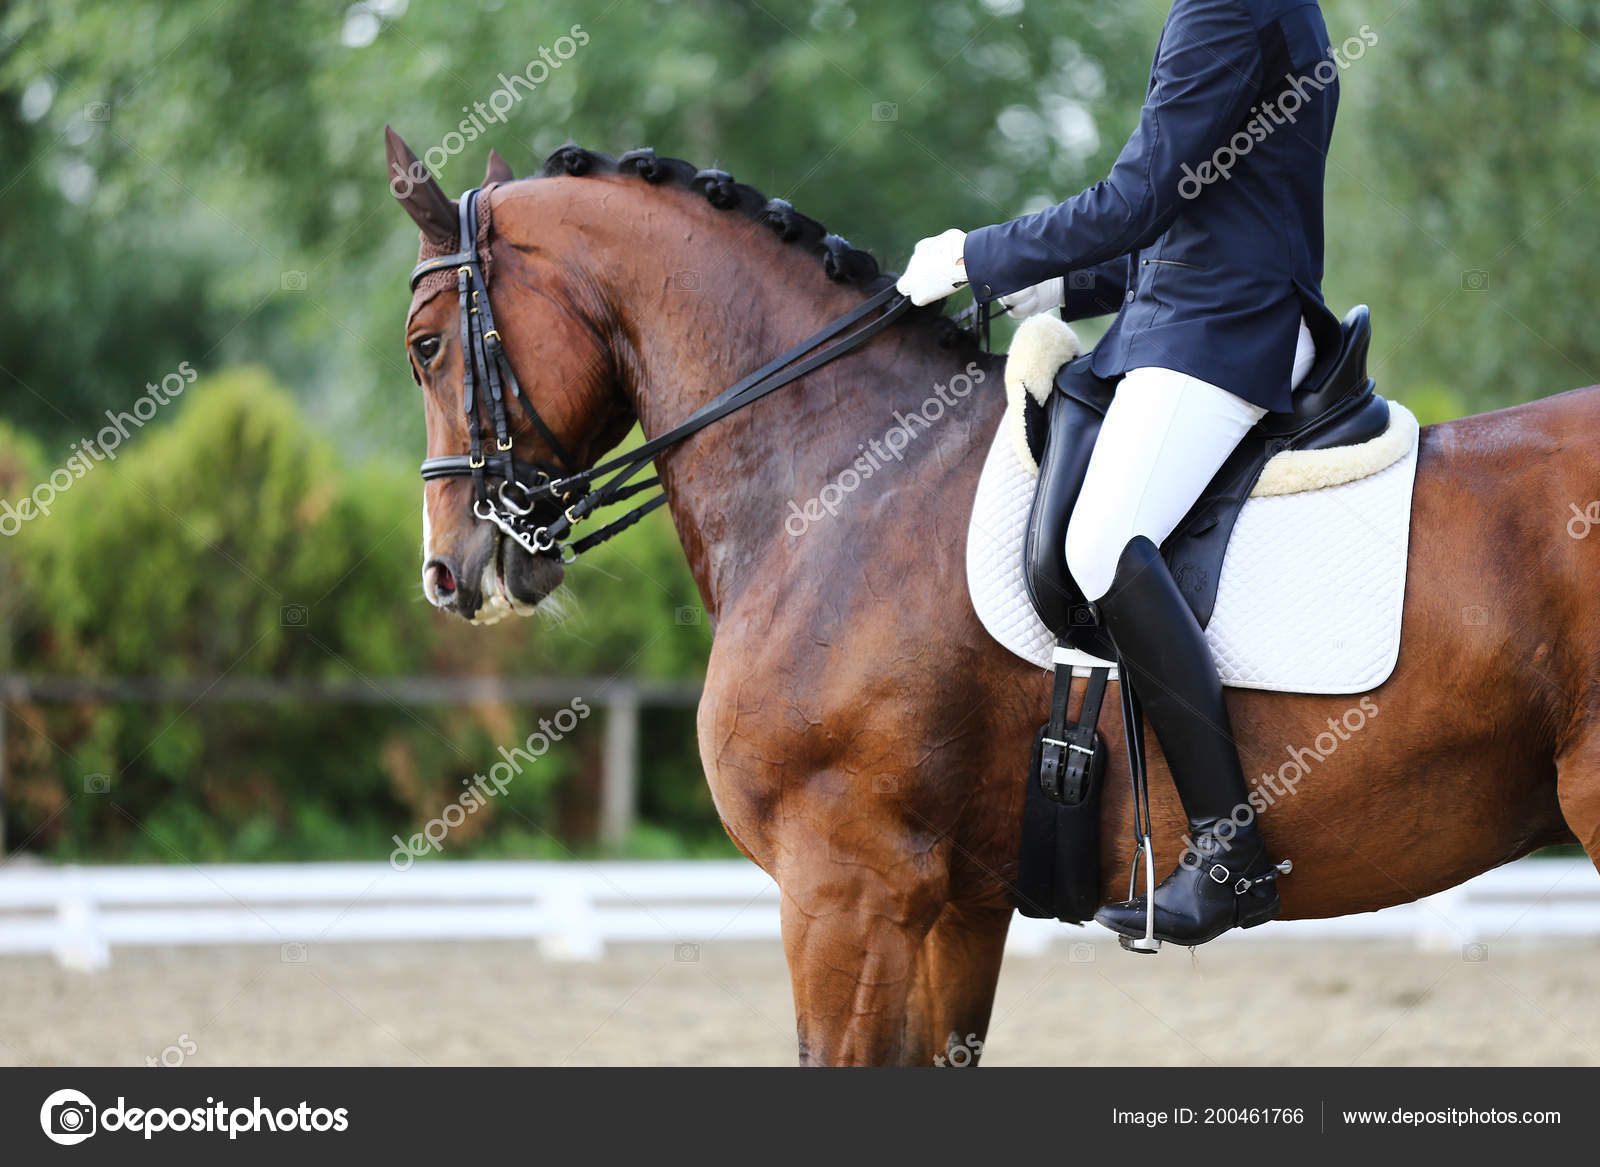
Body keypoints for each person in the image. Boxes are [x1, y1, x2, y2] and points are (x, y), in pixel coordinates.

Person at [897, 0, 1344, 945]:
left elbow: (1139, 196)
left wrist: (976, 254)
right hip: (1200, 305)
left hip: (1220, 328)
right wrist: (1055, 286)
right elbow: (1197, 211)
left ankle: (1229, 858)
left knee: (1103, 541)